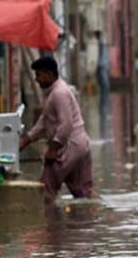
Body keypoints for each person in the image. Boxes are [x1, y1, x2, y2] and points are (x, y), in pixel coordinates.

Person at [19, 56, 94, 203]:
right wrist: (25, 141)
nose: (36, 79)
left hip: (69, 146)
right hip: (80, 145)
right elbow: (44, 122)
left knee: (45, 191)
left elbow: (66, 125)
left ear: (48, 74)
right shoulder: (55, 92)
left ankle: (50, 224)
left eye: (38, 75)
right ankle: (89, 221)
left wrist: (53, 149)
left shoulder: (59, 93)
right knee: (84, 194)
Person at [94, 30, 110, 135]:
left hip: (102, 66)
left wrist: (99, 65)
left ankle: (103, 103)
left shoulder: (101, 42)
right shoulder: (103, 42)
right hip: (103, 65)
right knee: (104, 85)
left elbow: (101, 55)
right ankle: (103, 103)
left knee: (103, 85)